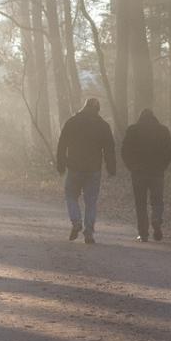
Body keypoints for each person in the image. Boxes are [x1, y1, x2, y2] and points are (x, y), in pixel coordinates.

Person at [56, 98, 116, 244]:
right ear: (98, 109)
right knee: (91, 202)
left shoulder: (72, 122)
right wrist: (111, 167)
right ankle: (89, 232)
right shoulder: (103, 126)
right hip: (93, 169)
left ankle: (76, 221)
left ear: (84, 107)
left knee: (71, 196)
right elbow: (109, 149)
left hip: (74, 167)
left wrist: (61, 164)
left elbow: (62, 144)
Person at [120, 108, 171, 242]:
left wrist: (131, 166)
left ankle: (143, 233)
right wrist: (163, 165)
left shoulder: (132, 130)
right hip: (157, 172)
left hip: (138, 173)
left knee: (140, 203)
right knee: (157, 200)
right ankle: (156, 218)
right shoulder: (163, 130)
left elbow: (124, 151)